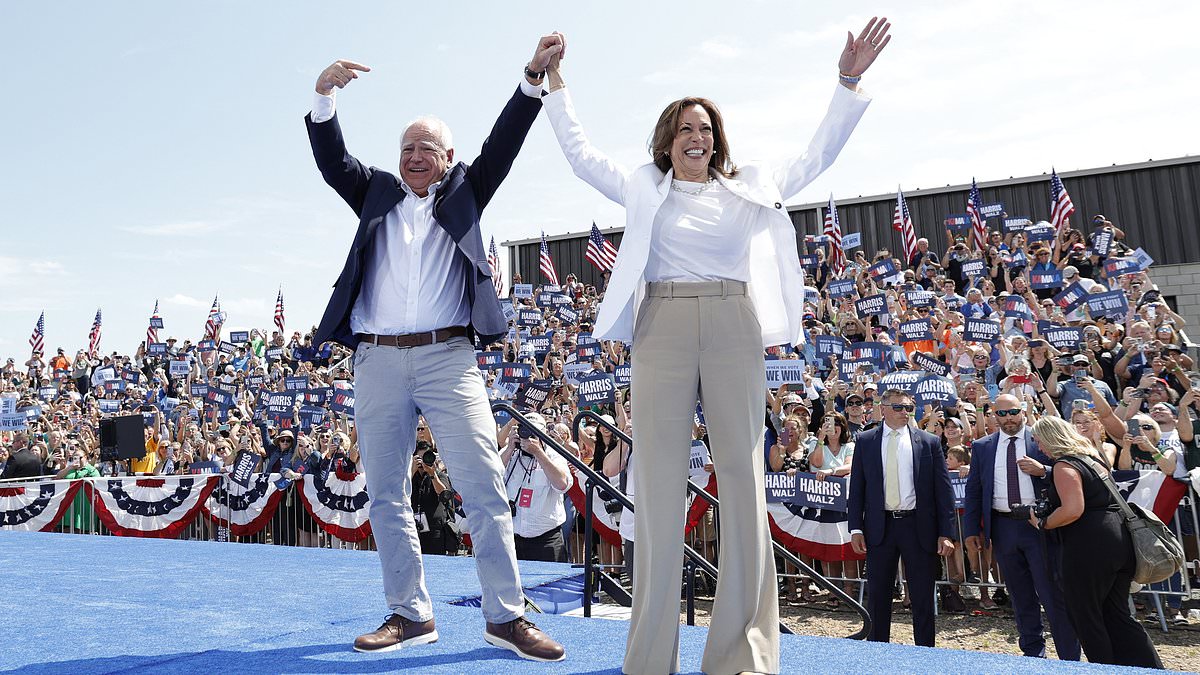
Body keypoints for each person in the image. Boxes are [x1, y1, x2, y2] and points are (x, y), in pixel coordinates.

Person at [540, 18, 891, 675]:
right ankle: (649, 656)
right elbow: (582, 155)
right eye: (685, 129)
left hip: (734, 320)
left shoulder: (748, 186)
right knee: (659, 483)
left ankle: (741, 652)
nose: (696, 137)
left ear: (717, 140)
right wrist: (554, 81)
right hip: (663, 324)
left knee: (743, 477)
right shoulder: (644, 186)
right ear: (667, 142)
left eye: (705, 128)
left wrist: (846, 82)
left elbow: (816, 156)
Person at [305, 36, 565, 661]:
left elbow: (502, 145)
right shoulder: (374, 193)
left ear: (447, 157)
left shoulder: (467, 192)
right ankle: (409, 613)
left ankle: (505, 617)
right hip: (376, 360)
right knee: (386, 491)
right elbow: (332, 160)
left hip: (450, 359)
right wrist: (323, 98)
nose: (415, 155)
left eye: (427, 147)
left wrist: (532, 75)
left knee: (482, 486)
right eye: (406, 148)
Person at [1028, 417, 1163, 668]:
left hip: (1090, 546)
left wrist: (1042, 522)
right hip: (1119, 542)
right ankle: (1151, 669)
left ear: (1050, 438)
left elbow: (1072, 510)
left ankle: (1102, 668)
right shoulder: (1092, 459)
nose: (1038, 447)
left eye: (1038, 441)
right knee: (1117, 614)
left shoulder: (1064, 465)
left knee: (1085, 614)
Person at [963, 394, 1081, 660]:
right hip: (1003, 527)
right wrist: (972, 529)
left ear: (1024, 412)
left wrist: (1045, 472)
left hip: (1041, 526)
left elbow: (1071, 472)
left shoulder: (1042, 441)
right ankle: (1033, 654)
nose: (1008, 418)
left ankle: (1069, 659)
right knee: (1019, 595)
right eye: (1001, 414)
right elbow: (974, 490)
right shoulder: (983, 446)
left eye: (1013, 412)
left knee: (1053, 596)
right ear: (993, 415)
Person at [848, 389, 956, 647]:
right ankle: (878, 652)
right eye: (898, 407)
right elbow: (857, 488)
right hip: (879, 526)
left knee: (921, 596)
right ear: (882, 408)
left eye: (909, 407)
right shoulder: (866, 440)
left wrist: (946, 532)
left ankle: (925, 653)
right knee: (878, 595)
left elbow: (943, 491)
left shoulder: (928, 442)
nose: (905, 412)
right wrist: (855, 528)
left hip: (918, 525)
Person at [500, 413, 572, 562]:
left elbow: (562, 484)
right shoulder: (510, 452)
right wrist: (509, 449)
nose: (528, 438)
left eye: (534, 433)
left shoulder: (554, 454)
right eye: (525, 432)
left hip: (546, 540)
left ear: (543, 434)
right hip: (512, 538)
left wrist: (539, 452)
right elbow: (490, 477)